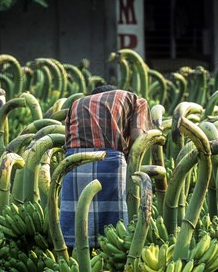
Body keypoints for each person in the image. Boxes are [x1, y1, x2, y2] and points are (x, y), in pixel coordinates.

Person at [60, 85, 151, 248]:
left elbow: (67, 141)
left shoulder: (76, 103)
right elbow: (139, 139)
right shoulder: (135, 100)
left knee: (77, 230)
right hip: (110, 162)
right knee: (115, 232)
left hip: (73, 163)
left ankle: (78, 266)